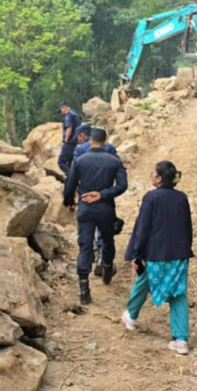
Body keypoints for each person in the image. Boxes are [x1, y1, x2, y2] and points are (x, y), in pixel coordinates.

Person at [121, 161, 193, 356]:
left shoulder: (151, 198)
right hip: (178, 254)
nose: (151, 175)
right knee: (178, 292)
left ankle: (131, 315)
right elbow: (188, 227)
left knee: (145, 280)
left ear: (159, 178)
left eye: (153, 173)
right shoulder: (181, 198)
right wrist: (187, 248)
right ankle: (180, 339)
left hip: (156, 253)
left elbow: (143, 228)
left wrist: (136, 254)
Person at [63, 127, 127, 305]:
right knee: (108, 240)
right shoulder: (114, 161)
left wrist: (69, 202)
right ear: (105, 142)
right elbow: (122, 185)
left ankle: (84, 289)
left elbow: (70, 185)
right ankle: (107, 268)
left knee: (84, 246)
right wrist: (103, 194)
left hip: (85, 208)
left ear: (90, 141)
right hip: (106, 208)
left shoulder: (80, 160)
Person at [57, 101, 82, 174]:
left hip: (70, 142)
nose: (61, 113)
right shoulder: (75, 114)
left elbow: (69, 128)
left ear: (63, 107)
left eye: (60, 110)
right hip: (75, 141)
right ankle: (74, 179)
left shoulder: (68, 115)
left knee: (61, 162)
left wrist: (66, 140)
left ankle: (72, 178)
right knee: (71, 162)